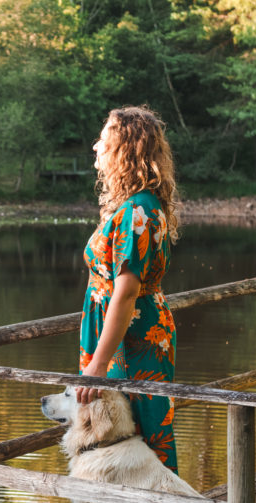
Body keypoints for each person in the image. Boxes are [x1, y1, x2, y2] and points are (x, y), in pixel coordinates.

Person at [74, 105, 180, 475]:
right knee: (114, 434)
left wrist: (98, 367)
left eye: (103, 141)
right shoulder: (136, 207)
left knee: (139, 439)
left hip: (131, 340)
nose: (95, 148)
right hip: (121, 334)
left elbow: (125, 293)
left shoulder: (138, 212)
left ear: (124, 149)